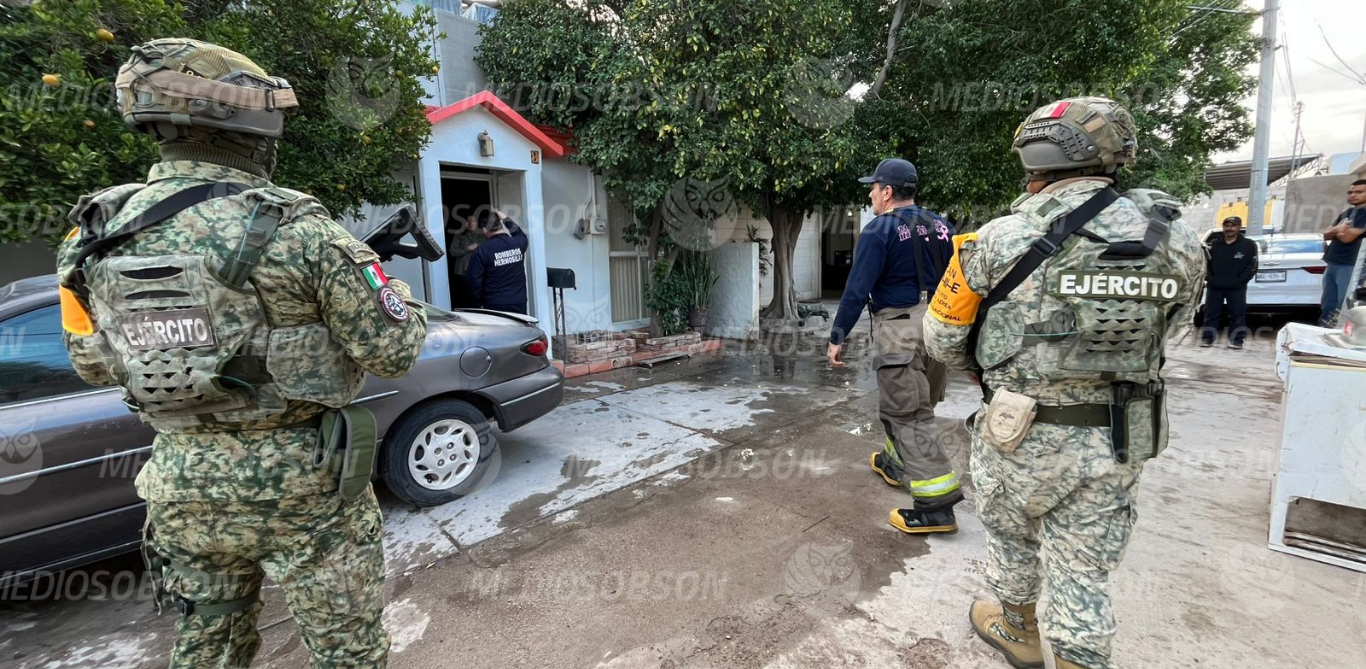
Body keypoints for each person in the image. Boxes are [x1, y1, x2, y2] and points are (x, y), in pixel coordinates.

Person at [55, 39, 427, 668]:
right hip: (305, 487)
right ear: (253, 126)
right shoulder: (302, 231)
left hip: (182, 483)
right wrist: (395, 295)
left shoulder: (91, 235)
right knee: (346, 652)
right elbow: (393, 350)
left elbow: (91, 362)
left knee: (209, 645)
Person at [923, 97, 1205, 669]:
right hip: (1122, 432)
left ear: (1034, 159)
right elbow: (1174, 331)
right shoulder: (1177, 240)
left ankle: (1017, 630)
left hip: (1018, 430)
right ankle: (1079, 656)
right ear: (1116, 154)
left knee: (1010, 533)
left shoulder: (994, 240)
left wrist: (988, 368)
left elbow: (941, 338)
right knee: (1084, 564)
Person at [826, 158, 959, 535]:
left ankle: (937, 507)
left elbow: (856, 289)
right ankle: (893, 462)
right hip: (938, 324)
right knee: (920, 402)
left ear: (887, 192)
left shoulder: (878, 230)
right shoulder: (943, 227)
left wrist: (838, 336)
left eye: (873, 187)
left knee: (907, 413)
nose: (870, 193)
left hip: (900, 328)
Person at [1201, 215, 1258, 349]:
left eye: (1233, 226)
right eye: (1227, 225)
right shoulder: (1214, 244)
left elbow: (1252, 267)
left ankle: (1237, 340)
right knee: (1211, 313)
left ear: (1239, 227)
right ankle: (1208, 339)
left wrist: (1240, 281)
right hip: (1215, 286)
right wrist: (1210, 278)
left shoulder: (1248, 245)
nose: (1229, 228)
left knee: (1237, 314)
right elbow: (1205, 264)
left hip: (1236, 287)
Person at [1318, 179, 1366, 326]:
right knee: (1328, 302)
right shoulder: (1347, 212)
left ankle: (1340, 331)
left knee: (1344, 302)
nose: (1353, 195)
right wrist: (1337, 229)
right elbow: (1325, 234)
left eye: (1359, 192)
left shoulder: (1364, 214)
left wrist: (1338, 230)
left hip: (1351, 264)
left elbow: (1347, 238)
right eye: (1350, 192)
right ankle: (1325, 328)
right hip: (1333, 262)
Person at [467, 208, 530, 313]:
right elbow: (519, 232)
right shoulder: (518, 242)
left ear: (484, 230)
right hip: (518, 301)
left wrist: (476, 305)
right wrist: (504, 217)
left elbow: (474, 282)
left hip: (494, 303)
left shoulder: (481, 250)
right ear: (501, 225)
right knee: (519, 329)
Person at [448, 212, 486, 307]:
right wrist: (468, 249)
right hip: (461, 273)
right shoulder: (459, 235)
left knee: (477, 298)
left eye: (472, 221)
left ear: (477, 223)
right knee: (463, 299)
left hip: (478, 272)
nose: (470, 223)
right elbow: (453, 252)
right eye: (468, 221)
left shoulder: (483, 236)